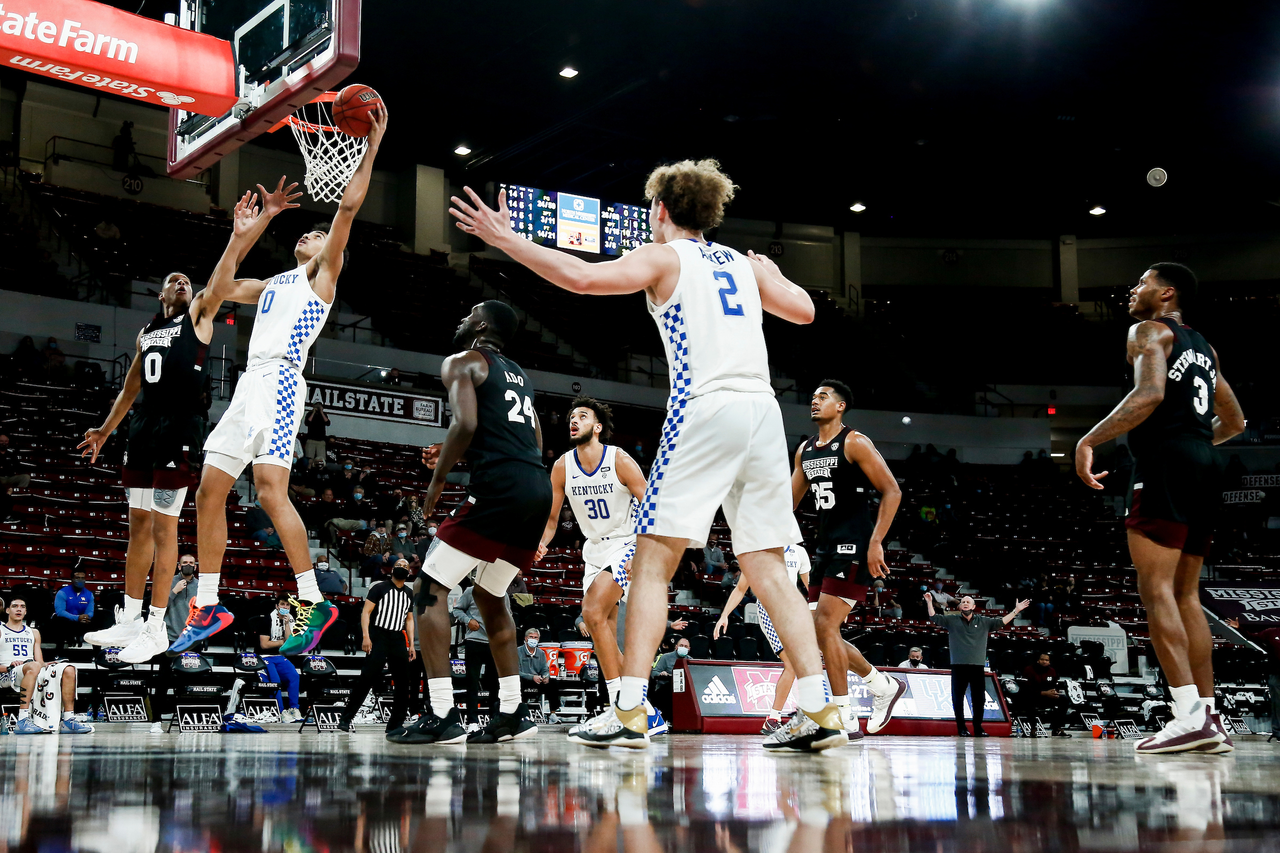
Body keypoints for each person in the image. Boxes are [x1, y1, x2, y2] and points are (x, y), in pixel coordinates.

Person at [451, 158, 846, 752]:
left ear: (660, 209)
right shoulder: (742, 264)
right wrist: (774, 274)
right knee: (766, 561)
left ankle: (630, 706)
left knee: (653, 560)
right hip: (763, 414)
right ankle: (819, 708)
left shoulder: (666, 257)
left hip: (705, 407)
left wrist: (508, 240)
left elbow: (582, 278)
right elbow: (805, 311)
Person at [176, 105, 387, 657]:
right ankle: (208, 602)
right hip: (249, 387)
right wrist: (247, 231)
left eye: (318, 234)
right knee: (208, 490)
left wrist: (374, 143)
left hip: (282, 383)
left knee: (270, 490)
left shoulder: (323, 277)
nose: (312, 235)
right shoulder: (274, 281)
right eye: (308, 232)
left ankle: (313, 600)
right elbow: (215, 292)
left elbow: (347, 206)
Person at [1076, 262, 1246, 755]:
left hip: (1167, 463)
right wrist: (1193, 447)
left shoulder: (1148, 330)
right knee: (1187, 595)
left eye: (1142, 283)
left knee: (1157, 594)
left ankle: (1186, 715)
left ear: (1166, 293)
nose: (1133, 290)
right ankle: (1209, 716)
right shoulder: (1206, 349)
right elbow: (1234, 420)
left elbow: (1148, 393)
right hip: (1206, 463)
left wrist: (1089, 439)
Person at [391, 300, 552, 746]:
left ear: (481, 325)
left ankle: (442, 713)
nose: (462, 317)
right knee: (490, 592)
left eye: (470, 312)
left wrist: (438, 479)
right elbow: (532, 439)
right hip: (534, 487)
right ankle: (513, 711)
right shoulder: (520, 375)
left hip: (500, 488)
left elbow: (466, 421)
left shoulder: (463, 362)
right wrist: (460, 452)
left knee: (428, 589)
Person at [77, 251, 239, 662]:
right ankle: (130, 616)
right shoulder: (147, 331)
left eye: (187, 279)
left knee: (166, 529)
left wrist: (238, 236)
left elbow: (220, 276)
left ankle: (156, 626)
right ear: (161, 292)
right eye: (175, 279)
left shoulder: (199, 314)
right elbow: (130, 388)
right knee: (139, 526)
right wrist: (104, 431)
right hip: (144, 428)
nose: (183, 283)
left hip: (180, 428)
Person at [536, 396, 660, 738]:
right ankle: (639, 709)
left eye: (582, 416)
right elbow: (551, 517)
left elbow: (650, 505)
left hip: (627, 543)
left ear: (598, 426)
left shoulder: (618, 459)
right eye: (571, 416)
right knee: (601, 625)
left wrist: (641, 552)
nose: (574, 420)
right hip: (594, 551)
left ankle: (620, 708)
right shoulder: (562, 466)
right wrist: (542, 542)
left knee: (591, 612)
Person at [793, 380, 906, 737]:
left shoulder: (854, 442)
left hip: (854, 544)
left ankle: (842, 715)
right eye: (813, 397)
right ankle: (881, 685)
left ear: (840, 406)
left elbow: (892, 490)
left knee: (826, 626)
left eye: (823, 397)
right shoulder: (805, 450)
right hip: (823, 547)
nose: (815, 402)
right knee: (820, 633)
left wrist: (876, 542)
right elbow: (788, 503)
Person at [715, 542, 811, 733]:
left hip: (792, 611)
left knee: (801, 665)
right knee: (792, 663)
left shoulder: (799, 552)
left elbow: (811, 587)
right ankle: (776, 717)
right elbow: (741, 588)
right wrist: (724, 614)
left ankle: (786, 716)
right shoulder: (758, 552)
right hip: (769, 609)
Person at [925, 593, 1029, 736]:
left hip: (977, 665)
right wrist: (929, 602)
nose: (965, 603)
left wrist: (1016, 611)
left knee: (979, 698)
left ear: (974, 606)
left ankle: (978, 727)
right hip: (958, 665)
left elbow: (1001, 622)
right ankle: (961, 727)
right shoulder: (952, 620)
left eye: (968, 601)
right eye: (963, 602)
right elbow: (934, 617)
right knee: (958, 698)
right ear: (960, 606)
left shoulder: (984, 621)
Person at [341, 559, 416, 733]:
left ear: (409, 572)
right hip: (379, 634)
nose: (402, 568)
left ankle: (395, 724)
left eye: (405, 566)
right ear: (392, 569)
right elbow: (366, 612)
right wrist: (366, 636)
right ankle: (346, 718)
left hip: (398, 637)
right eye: (399, 565)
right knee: (367, 677)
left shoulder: (409, 593)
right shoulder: (379, 588)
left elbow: (409, 619)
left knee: (403, 682)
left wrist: (411, 644)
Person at [3, 596, 93, 734]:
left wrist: (46, 664)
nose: (19, 609)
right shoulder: (1, 630)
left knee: (68, 669)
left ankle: (68, 720)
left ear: (26, 611)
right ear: (7, 610)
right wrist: (9, 666)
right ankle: (22, 720)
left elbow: (39, 661)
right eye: (15, 606)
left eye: (22, 606)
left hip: (31, 669)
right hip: (6, 673)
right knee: (33, 666)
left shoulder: (33, 632)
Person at [449, 582, 499, 731]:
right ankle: (472, 721)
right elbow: (456, 610)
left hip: (494, 643)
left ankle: (494, 719)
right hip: (474, 641)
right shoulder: (471, 591)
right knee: (472, 682)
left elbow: (507, 615)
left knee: (495, 683)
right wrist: (468, 620)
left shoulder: (500, 591)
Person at [257, 593, 303, 723]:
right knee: (275, 680)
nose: (285, 607)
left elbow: (289, 642)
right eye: (282, 604)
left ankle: (294, 708)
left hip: (279, 656)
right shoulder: (267, 619)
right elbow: (264, 644)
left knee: (294, 676)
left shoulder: (291, 618)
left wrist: (287, 624)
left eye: (287, 605)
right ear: (277, 606)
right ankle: (281, 711)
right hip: (264, 656)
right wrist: (282, 642)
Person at [1023, 652, 1070, 737]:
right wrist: (1043, 693)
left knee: (1064, 700)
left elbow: (1055, 685)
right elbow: (1027, 689)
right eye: (1042, 659)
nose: (1044, 662)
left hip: (1048, 696)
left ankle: (1057, 728)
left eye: (1046, 660)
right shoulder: (1029, 670)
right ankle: (1033, 728)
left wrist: (1054, 692)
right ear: (1038, 660)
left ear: (1049, 662)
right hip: (1034, 696)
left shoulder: (1052, 671)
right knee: (1028, 700)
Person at [517, 628, 559, 718]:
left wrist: (546, 676)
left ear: (538, 640)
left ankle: (553, 714)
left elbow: (545, 669)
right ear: (525, 638)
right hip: (524, 680)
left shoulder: (541, 653)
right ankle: (521, 714)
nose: (533, 639)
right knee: (517, 681)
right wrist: (532, 677)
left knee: (553, 683)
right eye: (531, 637)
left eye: (535, 637)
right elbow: (516, 671)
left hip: (538, 680)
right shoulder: (518, 651)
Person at [51, 571, 94, 649]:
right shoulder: (62, 592)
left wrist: (86, 617)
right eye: (77, 578)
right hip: (66, 621)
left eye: (82, 578)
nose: (80, 580)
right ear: (72, 579)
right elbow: (60, 612)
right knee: (59, 621)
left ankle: (96, 654)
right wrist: (77, 618)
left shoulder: (89, 594)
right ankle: (59, 652)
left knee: (96, 621)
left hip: (82, 622)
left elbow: (90, 611)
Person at [164, 554, 199, 644]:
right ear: (179, 566)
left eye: (191, 563)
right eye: (185, 563)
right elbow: (161, 606)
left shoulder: (200, 586)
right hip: (170, 636)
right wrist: (174, 591)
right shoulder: (169, 582)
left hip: (193, 637)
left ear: (195, 567)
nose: (188, 565)